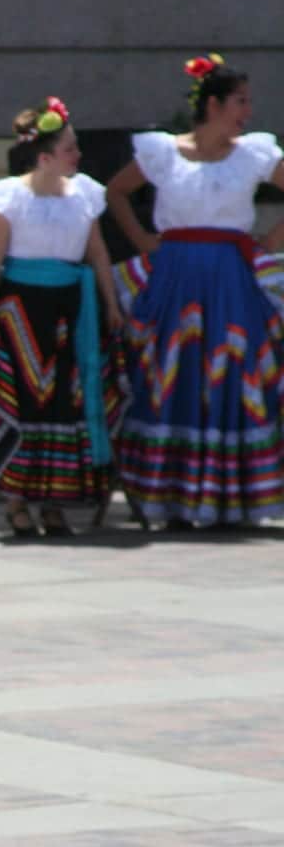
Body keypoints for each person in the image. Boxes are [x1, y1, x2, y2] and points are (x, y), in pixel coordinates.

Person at [105, 55, 284, 528]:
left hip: (230, 276)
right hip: (176, 276)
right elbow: (116, 191)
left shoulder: (255, 154)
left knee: (231, 371)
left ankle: (231, 499)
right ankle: (173, 497)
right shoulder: (163, 152)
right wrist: (143, 239)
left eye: (247, 101)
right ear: (213, 104)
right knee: (171, 373)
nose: (247, 110)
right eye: (240, 101)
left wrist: (273, 240)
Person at [0, 97, 125, 537]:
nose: (78, 155)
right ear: (44, 157)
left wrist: (111, 304)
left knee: (65, 403)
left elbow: (98, 253)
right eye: (69, 149)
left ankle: (54, 501)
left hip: (70, 310)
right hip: (22, 312)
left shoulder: (85, 193)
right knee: (25, 401)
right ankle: (16, 502)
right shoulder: (9, 198)